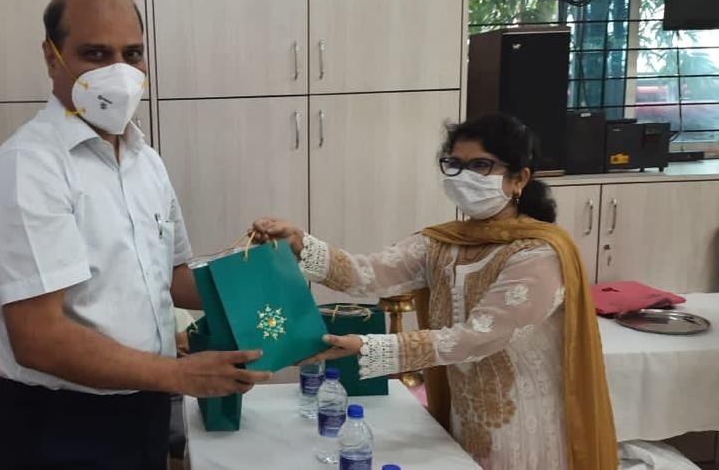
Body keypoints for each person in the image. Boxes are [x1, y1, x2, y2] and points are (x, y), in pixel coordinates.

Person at [0, 0, 272, 468]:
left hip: (143, 406)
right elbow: (39, 337)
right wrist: (180, 375)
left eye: (132, 54)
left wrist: (264, 273)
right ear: (51, 57)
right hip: (61, 425)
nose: (119, 72)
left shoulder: (145, 160)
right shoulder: (28, 168)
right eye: (96, 54)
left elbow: (171, 278)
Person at [252, 114, 617, 470]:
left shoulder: (539, 253)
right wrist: (298, 242)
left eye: (481, 165)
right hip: (463, 413)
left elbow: (479, 337)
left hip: (524, 419)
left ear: (518, 178)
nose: (464, 176)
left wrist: (369, 346)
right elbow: (366, 274)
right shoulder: (442, 243)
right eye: (454, 164)